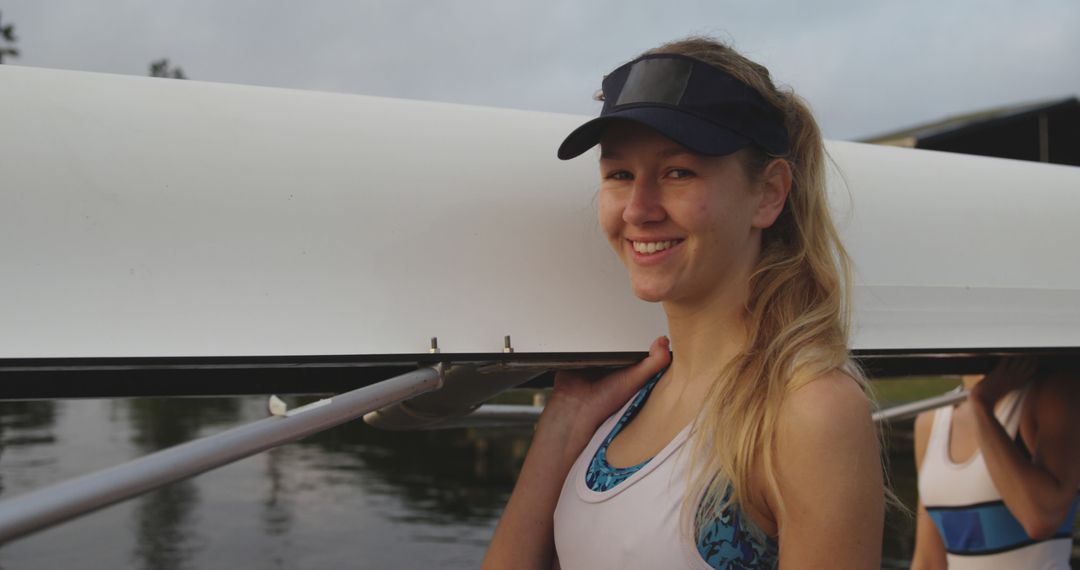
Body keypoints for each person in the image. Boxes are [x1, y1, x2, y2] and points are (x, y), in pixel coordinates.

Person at [482, 36, 884, 569]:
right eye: (620, 174)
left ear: (768, 194)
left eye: (678, 172)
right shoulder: (621, 404)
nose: (639, 209)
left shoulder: (806, 410)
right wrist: (562, 426)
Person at [911, 357, 1080, 569]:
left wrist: (981, 407)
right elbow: (928, 560)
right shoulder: (930, 423)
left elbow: (1041, 519)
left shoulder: (1053, 395)